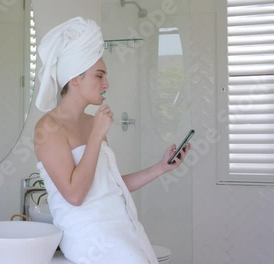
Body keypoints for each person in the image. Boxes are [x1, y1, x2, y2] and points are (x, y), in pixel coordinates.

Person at [33, 17, 190, 264]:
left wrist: (161, 168)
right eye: (99, 75)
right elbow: (75, 195)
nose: (106, 83)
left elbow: (109, 185)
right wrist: (96, 135)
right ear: (75, 78)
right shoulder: (49, 128)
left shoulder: (91, 122)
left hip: (121, 225)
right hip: (90, 236)